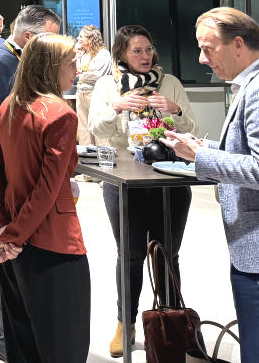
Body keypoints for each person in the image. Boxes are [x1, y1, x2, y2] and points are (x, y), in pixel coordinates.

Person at [165, 7, 259, 363]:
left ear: (238, 44)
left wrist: (201, 158)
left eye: (207, 48)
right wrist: (207, 148)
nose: (201, 59)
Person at [87, 23, 197, 358]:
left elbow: (193, 128)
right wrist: (118, 107)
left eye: (148, 49)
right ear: (121, 53)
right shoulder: (108, 85)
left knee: (167, 255)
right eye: (137, 50)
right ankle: (127, 323)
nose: (145, 56)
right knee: (130, 256)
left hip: (169, 179)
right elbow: (95, 127)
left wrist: (174, 110)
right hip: (125, 182)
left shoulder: (170, 83)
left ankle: (169, 323)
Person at [0, 33, 89, 363]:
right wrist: (12, 235)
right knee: (64, 348)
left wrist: (5, 231)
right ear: (52, 67)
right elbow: (48, 188)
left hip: (15, 247)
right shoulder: (60, 114)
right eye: (72, 63)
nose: (77, 70)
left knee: (22, 345)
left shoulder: (8, 107)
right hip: (54, 245)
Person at [0, 4, 61, 362]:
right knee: (6, 249)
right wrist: (18, 157)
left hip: (22, 173)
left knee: (17, 249)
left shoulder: (22, 63)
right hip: (6, 175)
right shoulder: (0, 64)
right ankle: (2, 338)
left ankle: (17, 334)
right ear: (27, 37)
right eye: (49, 39)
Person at [74, 25, 110, 146]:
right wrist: (77, 57)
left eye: (81, 36)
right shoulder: (82, 54)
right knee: (83, 127)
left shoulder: (103, 54)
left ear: (90, 39)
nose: (78, 38)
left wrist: (81, 74)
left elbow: (97, 75)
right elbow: (75, 71)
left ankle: (103, 153)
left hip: (96, 94)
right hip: (81, 93)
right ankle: (85, 153)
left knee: (98, 125)